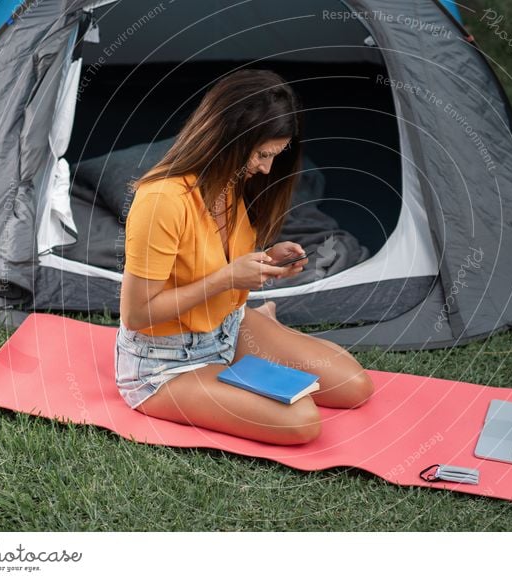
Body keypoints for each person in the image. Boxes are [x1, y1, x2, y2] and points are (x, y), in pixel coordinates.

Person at [115, 69, 374, 445]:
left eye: (275, 155)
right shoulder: (162, 200)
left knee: (355, 386)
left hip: (229, 327)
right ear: (228, 139)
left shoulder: (234, 186)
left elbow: (211, 260)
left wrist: (264, 261)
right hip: (165, 363)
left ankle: (265, 327)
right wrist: (228, 280)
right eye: (262, 154)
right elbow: (137, 314)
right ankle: (264, 332)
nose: (267, 168)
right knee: (301, 421)